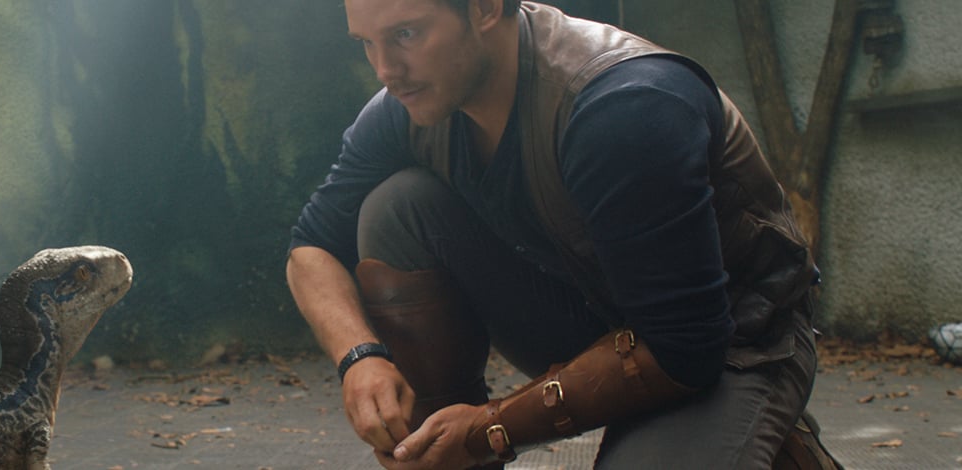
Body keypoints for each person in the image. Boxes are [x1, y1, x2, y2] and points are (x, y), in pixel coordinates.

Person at [286, 0, 839, 468]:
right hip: (588, 310)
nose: (385, 68)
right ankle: (438, 452)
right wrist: (359, 357)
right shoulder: (403, 107)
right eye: (366, 43)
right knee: (397, 207)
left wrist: (489, 428)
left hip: (729, 342)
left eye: (405, 35)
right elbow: (310, 246)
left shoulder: (623, 104)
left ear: (483, 8)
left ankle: (760, 431)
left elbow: (685, 348)